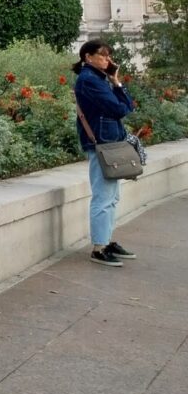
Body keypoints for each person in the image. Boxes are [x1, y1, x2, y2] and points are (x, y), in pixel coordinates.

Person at [73, 39, 137, 267]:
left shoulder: (99, 79)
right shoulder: (89, 80)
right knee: (103, 196)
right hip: (101, 143)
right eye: (103, 55)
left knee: (111, 197)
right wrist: (116, 87)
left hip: (110, 142)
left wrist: (116, 80)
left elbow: (127, 106)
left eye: (109, 55)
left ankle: (106, 241)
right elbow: (120, 109)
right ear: (87, 57)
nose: (108, 60)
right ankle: (99, 248)